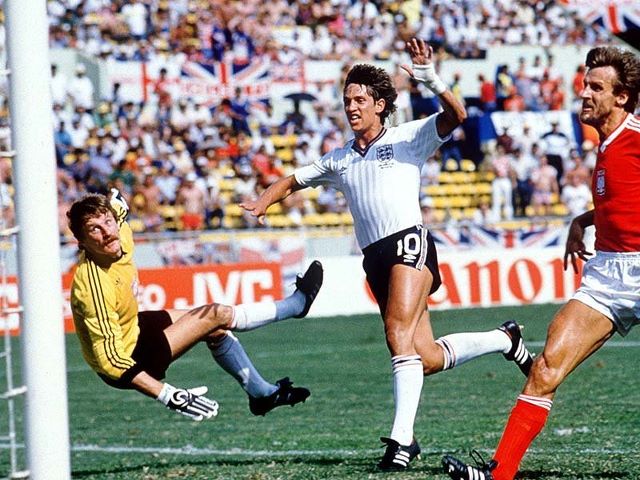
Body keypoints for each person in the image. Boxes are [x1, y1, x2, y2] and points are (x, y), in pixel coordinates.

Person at [240, 38, 533, 471]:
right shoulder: (340, 159)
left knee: (397, 334)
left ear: (380, 104)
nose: (352, 107)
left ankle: (401, 441)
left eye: (360, 99)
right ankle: (504, 339)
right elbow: (293, 181)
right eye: (347, 100)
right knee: (425, 356)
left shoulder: (407, 137)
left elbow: (457, 115)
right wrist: (265, 199)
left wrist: (431, 79)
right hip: (375, 257)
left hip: (408, 242)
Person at [443, 45, 640, 480]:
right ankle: (499, 476)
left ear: (622, 97)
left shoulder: (636, 137)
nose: (583, 93)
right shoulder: (606, 145)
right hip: (607, 274)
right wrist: (582, 219)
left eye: (596, 87)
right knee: (546, 368)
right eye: (584, 84)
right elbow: (623, 201)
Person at [67, 190, 324, 421]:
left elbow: (118, 208)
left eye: (108, 222)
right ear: (82, 242)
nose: (107, 232)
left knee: (216, 329)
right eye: (94, 229)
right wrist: (167, 394)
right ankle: (296, 305)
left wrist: (116, 200)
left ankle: (262, 395)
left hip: (133, 327)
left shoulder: (120, 232)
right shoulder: (93, 286)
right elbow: (110, 361)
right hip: (128, 359)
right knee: (215, 314)